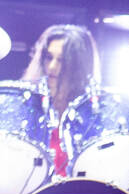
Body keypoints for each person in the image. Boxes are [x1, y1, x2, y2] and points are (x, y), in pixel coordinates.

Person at [21, 24, 101, 179]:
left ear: (79, 67)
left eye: (62, 61)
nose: (52, 66)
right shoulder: (29, 106)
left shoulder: (93, 116)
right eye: (49, 58)